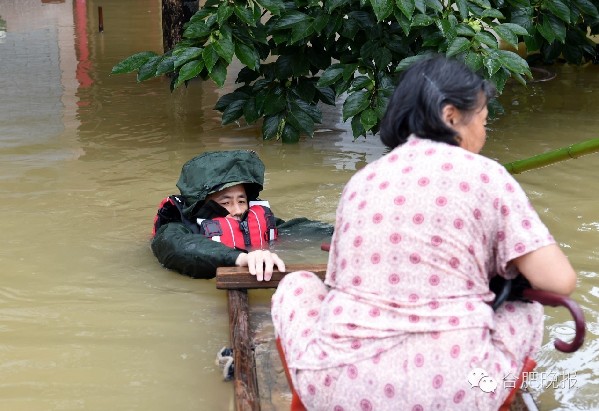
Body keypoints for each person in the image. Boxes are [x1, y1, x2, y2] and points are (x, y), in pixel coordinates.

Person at [271, 56, 577, 410]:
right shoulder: (488, 176)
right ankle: (493, 393)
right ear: (450, 116)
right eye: (482, 121)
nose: (484, 133)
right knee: (527, 311)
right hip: (456, 392)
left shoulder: (362, 181)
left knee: (296, 286)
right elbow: (558, 281)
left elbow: (337, 283)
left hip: (341, 390)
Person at [151, 149, 333, 280]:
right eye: (225, 202)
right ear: (201, 204)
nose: (238, 210)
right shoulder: (175, 230)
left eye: (241, 200)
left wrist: (346, 232)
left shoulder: (253, 221)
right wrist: (242, 258)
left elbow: (299, 229)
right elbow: (178, 248)